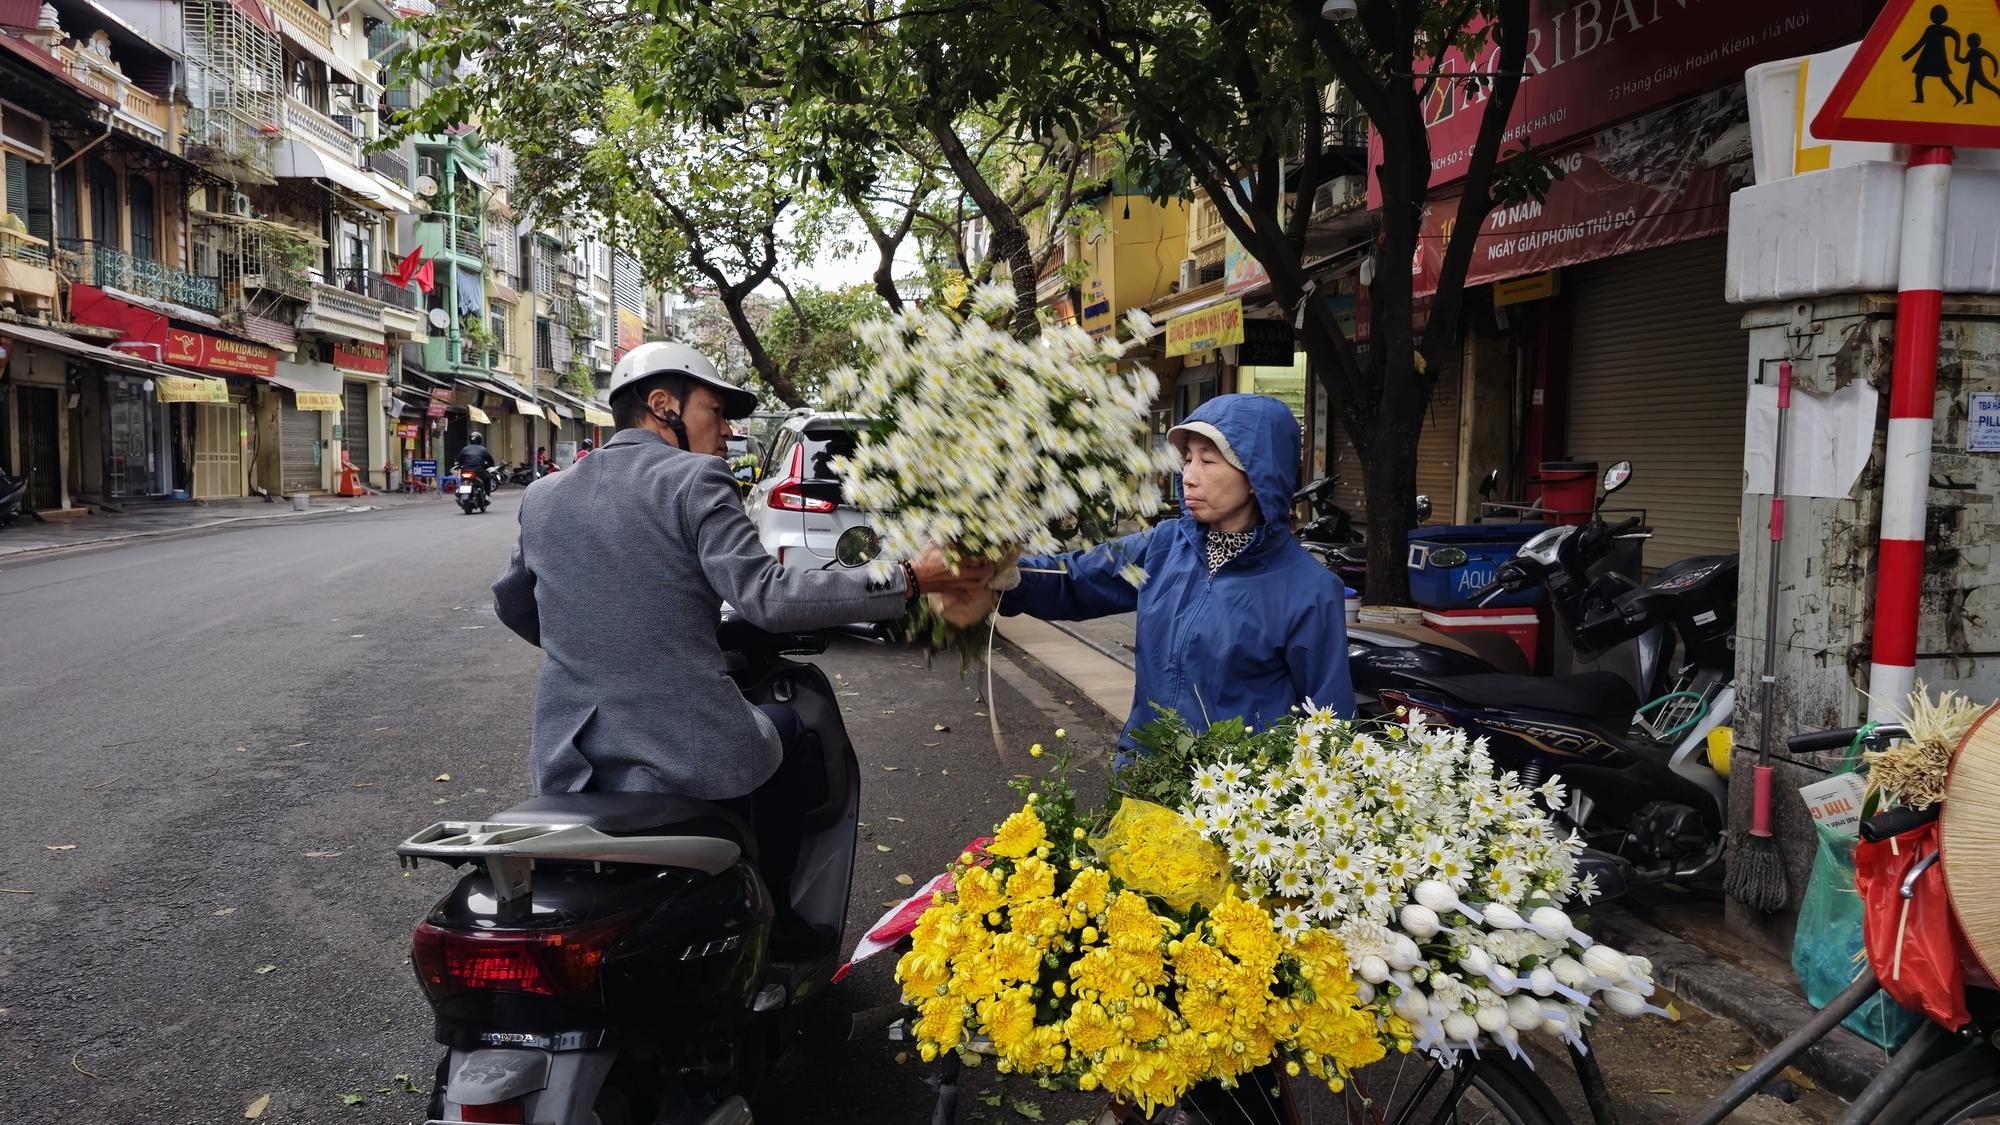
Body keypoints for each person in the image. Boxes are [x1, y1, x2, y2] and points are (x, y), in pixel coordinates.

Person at [492, 341, 990, 939]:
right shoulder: (694, 478)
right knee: (793, 736)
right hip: (678, 745)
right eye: (716, 411)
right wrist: (908, 578)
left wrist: (598, 642)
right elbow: (767, 596)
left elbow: (513, 602)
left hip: (569, 755)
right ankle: (778, 920)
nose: (727, 431)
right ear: (661, 405)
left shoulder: (544, 495)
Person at [998, 394, 1355, 748]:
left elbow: (1330, 722)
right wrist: (1009, 576)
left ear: (1256, 473)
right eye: (1188, 459)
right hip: (1145, 777)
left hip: (1236, 794)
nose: (1189, 476)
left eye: (1209, 461)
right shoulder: (1164, 546)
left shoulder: (1310, 588)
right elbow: (1076, 578)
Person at [452, 431, 496, 500]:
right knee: (487, 479)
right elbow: (490, 460)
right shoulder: (483, 449)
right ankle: (487, 496)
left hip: (466, 471)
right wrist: (491, 466)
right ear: (480, 440)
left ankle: (460, 491)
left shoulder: (465, 449)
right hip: (478, 471)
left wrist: (460, 465)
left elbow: (459, 460)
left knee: (462, 479)